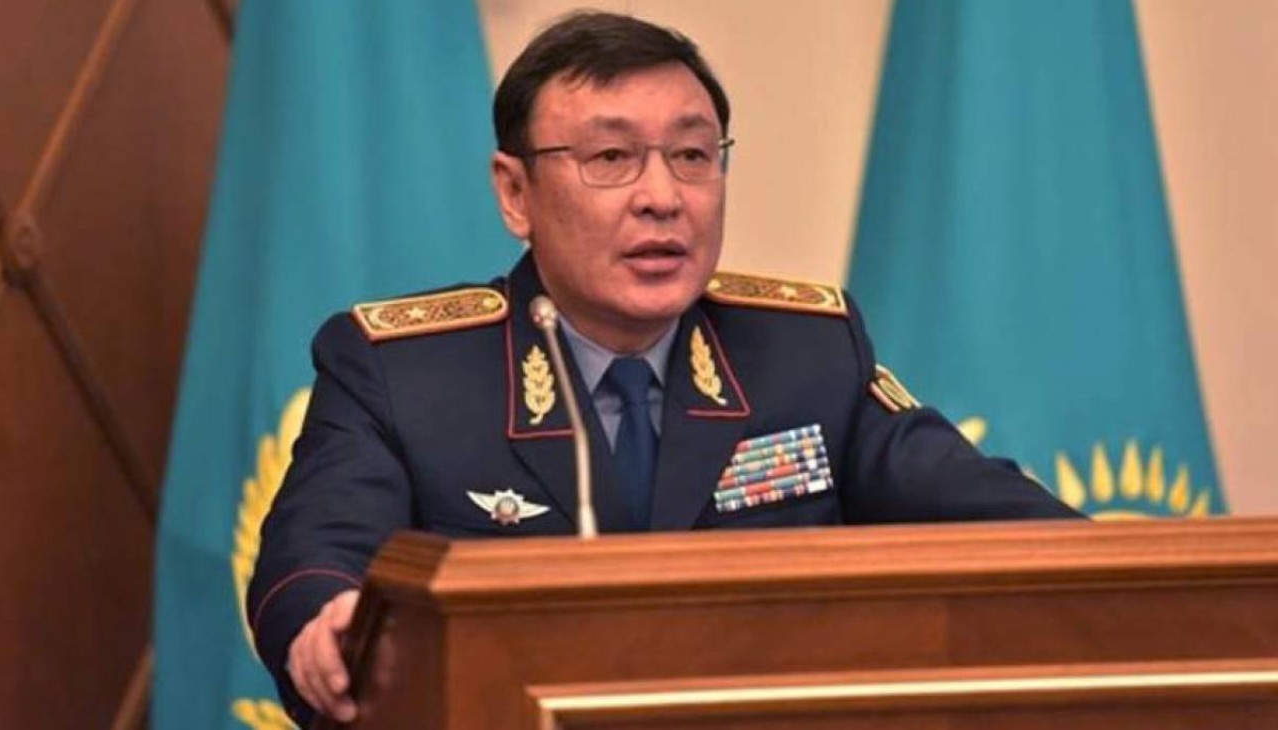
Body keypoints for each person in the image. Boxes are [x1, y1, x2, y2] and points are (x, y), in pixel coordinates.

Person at [247, 10, 1080, 726]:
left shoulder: (806, 354)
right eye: (611, 158)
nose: (663, 196)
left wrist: (1119, 573)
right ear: (515, 193)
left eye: (692, 155)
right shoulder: (405, 373)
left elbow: (1004, 522)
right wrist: (327, 624)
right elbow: (314, 558)